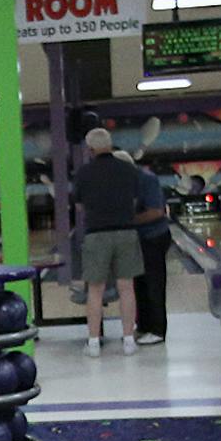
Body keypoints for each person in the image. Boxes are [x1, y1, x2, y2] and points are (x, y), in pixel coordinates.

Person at [73, 126, 139, 356]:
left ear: (90, 149)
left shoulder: (83, 173)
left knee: (95, 289)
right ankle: (129, 340)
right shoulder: (128, 169)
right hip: (126, 232)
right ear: (110, 145)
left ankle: (93, 343)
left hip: (96, 234)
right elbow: (135, 198)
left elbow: (79, 205)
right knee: (126, 287)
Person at [124, 150, 171, 346]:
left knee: (153, 284)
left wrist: (126, 221)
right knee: (140, 284)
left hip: (154, 237)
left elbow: (156, 212)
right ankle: (143, 326)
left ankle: (157, 330)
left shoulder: (147, 179)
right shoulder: (128, 180)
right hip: (139, 238)